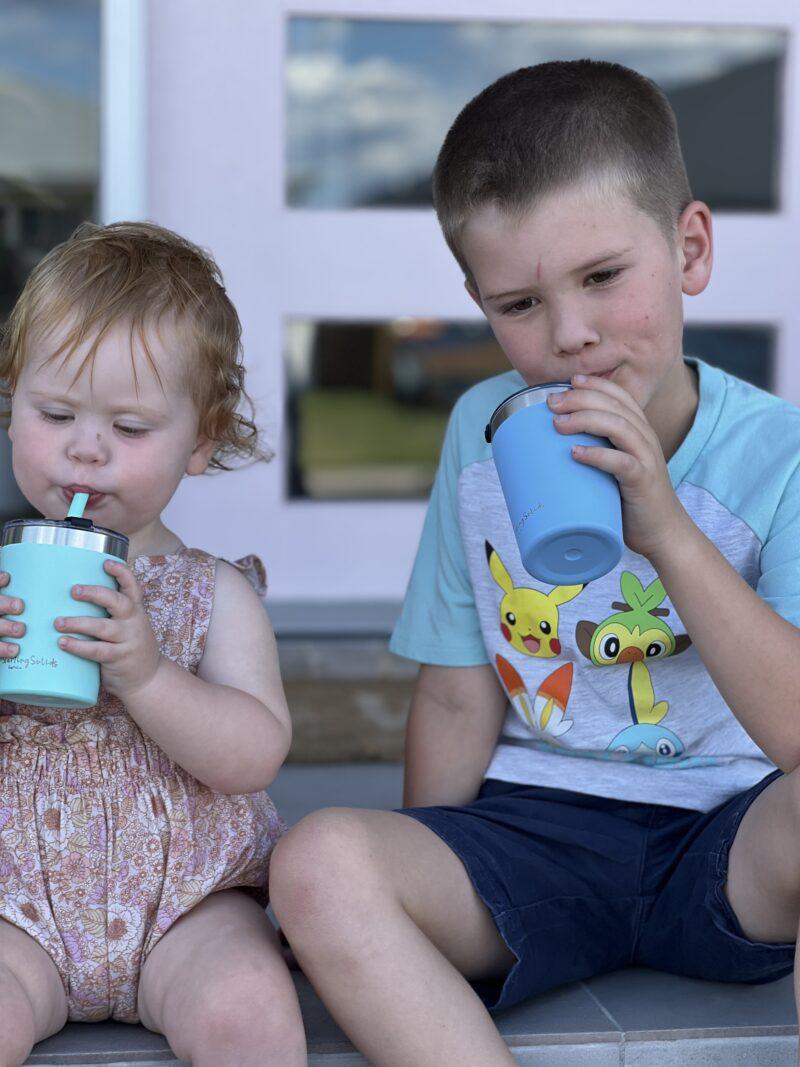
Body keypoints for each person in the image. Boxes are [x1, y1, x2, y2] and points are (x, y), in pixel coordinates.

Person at [270, 59, 800, 1065]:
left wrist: (665, 528)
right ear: (478, 301)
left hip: (729, 839)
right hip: (537, 831)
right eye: (518, 304)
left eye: (602, 277)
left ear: (687, 248)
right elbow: (459, 691)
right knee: (319, 860)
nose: (569, 337)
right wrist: (418, 872)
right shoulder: (484, 429)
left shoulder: (777, 454)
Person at [0, 222, 305, 1066]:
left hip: (188, 908)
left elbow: (252, 755)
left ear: (201, 441)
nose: (86, 446)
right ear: (11, 401)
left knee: (249, 1011)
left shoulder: (216, 592)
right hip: (13, 908)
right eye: (54, 413)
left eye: (130, 428)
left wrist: (146, 673)